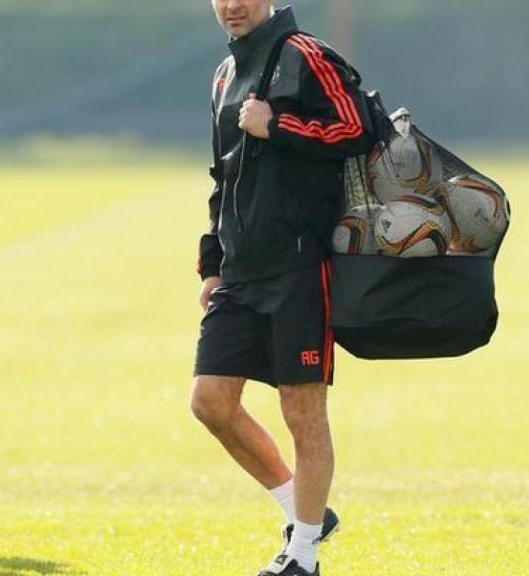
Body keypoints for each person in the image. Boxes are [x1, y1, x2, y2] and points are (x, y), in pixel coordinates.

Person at [190, 1, 375, 575]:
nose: (232, 5)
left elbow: (359, 129)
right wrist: (213, 264)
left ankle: (304, 555)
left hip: (300, 268)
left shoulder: (307, 56)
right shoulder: (223, 76)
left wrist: (279, 126)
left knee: (302, 411)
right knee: (211, 402)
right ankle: (303, 509)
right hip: (240, 275)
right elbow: (224, 174)